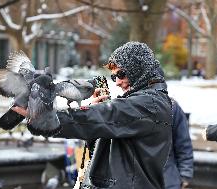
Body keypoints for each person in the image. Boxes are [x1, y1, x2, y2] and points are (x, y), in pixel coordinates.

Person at [12, 41, 173, 189]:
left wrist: (46, 117)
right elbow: (109, 149)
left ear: (137, 69)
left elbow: (108, 115)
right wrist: (94, 112)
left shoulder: (149, 104)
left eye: (121, 74)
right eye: (113, 76)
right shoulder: (146, 102)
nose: (116, 82)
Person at [164, 99, 194, 189]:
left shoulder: (171, 106)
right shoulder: (125, 106)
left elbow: (183, 144)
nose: (119, 84)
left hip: (168, 181)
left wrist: (185, 174)